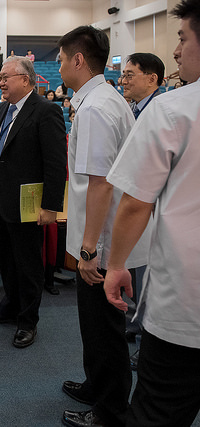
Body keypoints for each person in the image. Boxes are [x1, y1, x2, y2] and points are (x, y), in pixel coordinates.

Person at [104, 3, 200, 425]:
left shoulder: (174, 109)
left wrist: (116, 263)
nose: (177, 51)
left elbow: (136, 201)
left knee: (158, 411)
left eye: (182, 38)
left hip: (186, 301)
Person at [57, 26, 151, 427]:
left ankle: (110, 410)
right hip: (104, 236)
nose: (59, 66)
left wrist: (89, 248)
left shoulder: (95, 107)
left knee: (103, 327)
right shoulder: (104, 99)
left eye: (61, 59)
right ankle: (98, 384)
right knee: (95, 324)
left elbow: (99, 183)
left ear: (78, 60)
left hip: (101, 241)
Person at [0, 56, 67, 349]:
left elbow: (55, 163)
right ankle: (10, 309)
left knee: (27, 264)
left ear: (25, 79)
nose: (0, 83)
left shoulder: (46, 111)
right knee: (7, 261)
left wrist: (51, 206)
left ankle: (28, 321)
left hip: (29, 204)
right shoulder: (1, 110)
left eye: (5, 78)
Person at [118, 52, 165, 369]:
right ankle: (135, 324)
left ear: (152, 79)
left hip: (154, 209)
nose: (124, 80)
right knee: (137, 273)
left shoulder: (161, 113)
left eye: (130, 75)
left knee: (150, 276)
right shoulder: (135, 110)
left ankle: (149, 344)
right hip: (136, 203)